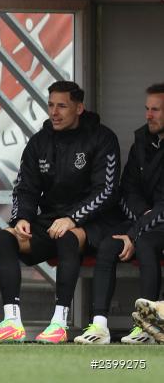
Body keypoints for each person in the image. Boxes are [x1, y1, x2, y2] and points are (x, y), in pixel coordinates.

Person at [0, 81, 122, 344]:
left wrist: (73, 218)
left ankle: (58, 323)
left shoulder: (102, 138)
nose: (54, 112)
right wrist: (22, 217)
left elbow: (107, 191)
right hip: (52, 220)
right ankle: (11, 321)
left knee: (67, 236)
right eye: (51, 105)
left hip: (95, 223)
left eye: (62, 106)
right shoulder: (39, 142)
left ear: (79, 108)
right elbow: (25, 188)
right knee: (7, 238)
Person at [74, 83, 164, 345]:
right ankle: (100, 325)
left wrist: (135, 233)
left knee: (145, 243)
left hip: (152, 227)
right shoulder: (141, 143)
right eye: (147, 109)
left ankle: (147, 327)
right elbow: (126, 192)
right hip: (144, 222)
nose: (148, 115)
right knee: (108, 244)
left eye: (156, 110)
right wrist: (136, 224)